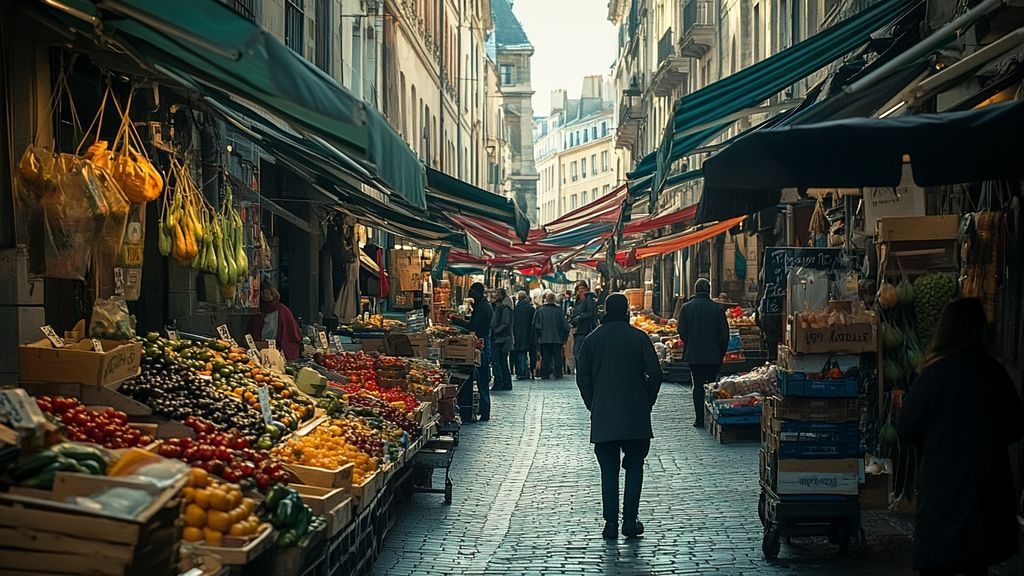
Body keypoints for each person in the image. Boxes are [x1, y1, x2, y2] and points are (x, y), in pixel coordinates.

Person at [898, 298, 1024, 576]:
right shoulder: (994, 372)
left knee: (940, 564)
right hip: (986, 490)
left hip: (943, 489)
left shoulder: (932, 375)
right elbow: (1016, 425)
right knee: (976, 564)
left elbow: (906, 428)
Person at [576, 293, 663, 540]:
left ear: (605, 311)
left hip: (604, 415)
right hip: (636, 414)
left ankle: (611, 523)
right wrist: (647, 401)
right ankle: (630, 520)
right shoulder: (639, 338)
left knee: (609, 469)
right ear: (626, 312)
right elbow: (655, 374)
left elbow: (582, 378)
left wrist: (593, 404)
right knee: (635, 466)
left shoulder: (592, 341)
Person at [677, 278, 729, 428]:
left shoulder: (686, 308)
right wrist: (720, 353)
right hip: (713, 355)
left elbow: (681, 330)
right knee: (712, 385)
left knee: (698, 385)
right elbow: (724, 335)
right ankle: (712, 416)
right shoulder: (717, 308)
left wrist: (690, 343)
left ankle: (699, 419)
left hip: (694, 355)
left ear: (695, 290)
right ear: (709, 290)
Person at [453, 282, 493, 422]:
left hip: (481, 344)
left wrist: (456, 321)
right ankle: (483, 410)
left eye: (472, 292)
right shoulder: (483, 306)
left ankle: (485, 411)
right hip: (482, 342)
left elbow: (473, 326)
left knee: (482, 378)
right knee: (482, 379)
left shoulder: (482, 308)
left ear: (477, 293)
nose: (470, 295)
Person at [247, 286, 303, 361]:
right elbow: (251, 333)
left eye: (269, 294)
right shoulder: (257, 313)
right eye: (264, 294)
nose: (267, 296)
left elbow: (292, 336)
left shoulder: (284, 312)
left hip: (278, 351)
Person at [533, 292, 569, 379]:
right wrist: (564, 338)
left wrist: (537, 338)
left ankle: (545, 374)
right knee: (557, 357)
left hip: (544, 338)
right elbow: (565, 326)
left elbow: (534, 326)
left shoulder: (539, 311)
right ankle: (558, 374)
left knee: (545, 357)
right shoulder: (559, 311)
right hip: (557, 339)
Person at [490, 288, 514, 391]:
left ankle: (500, 382)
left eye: (498, 294)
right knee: (501, 361)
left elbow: (505, 323)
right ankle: (504, 382)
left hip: (501, 339)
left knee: (499, 361)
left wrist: (496, 331)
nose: (495, 295)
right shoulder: (499, 307)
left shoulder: (505, 309)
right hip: (500, 338)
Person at [569, 281, 598, 364]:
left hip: (585, 330)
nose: (582, 292)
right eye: (580, 290)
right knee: (577, 352)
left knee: (578, 352)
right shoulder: (577, 302)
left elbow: (590, 313)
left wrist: (579, 318)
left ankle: (583, 370)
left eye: (583, 289)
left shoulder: (589, 300)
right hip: (578, 330)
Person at [512, 291, 536, 381]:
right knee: (529, 353)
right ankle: (529, 371)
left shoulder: (516, 309)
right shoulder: (531, 308)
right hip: (530, 334)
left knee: (521, 353)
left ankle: (522, 372)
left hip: (518, 334)